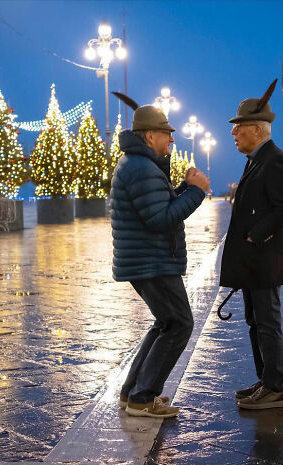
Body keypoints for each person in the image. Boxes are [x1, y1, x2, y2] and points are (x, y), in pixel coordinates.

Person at [110, 93, 210, 419]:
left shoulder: (139, 165)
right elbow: (160, 219)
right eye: (167, 133)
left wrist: (181, 187)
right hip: (152, 261)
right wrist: (197, 192)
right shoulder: (141, 168)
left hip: (147, 260)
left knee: (165, 322)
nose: (171, 137)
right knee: (180, 324)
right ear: (150, 136)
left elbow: (158, 205)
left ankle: (133, 391)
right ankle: (143, 396)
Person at [220, 79, 283, 410]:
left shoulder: (274, 158)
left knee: (267, 322)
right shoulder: (256, 159)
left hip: (265, 258)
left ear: (256, 129)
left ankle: (275, 387)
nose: (234, 134)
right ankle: (264, 379)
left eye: (239, 128)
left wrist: (255, 235)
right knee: (255, 321)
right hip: (253, 260)